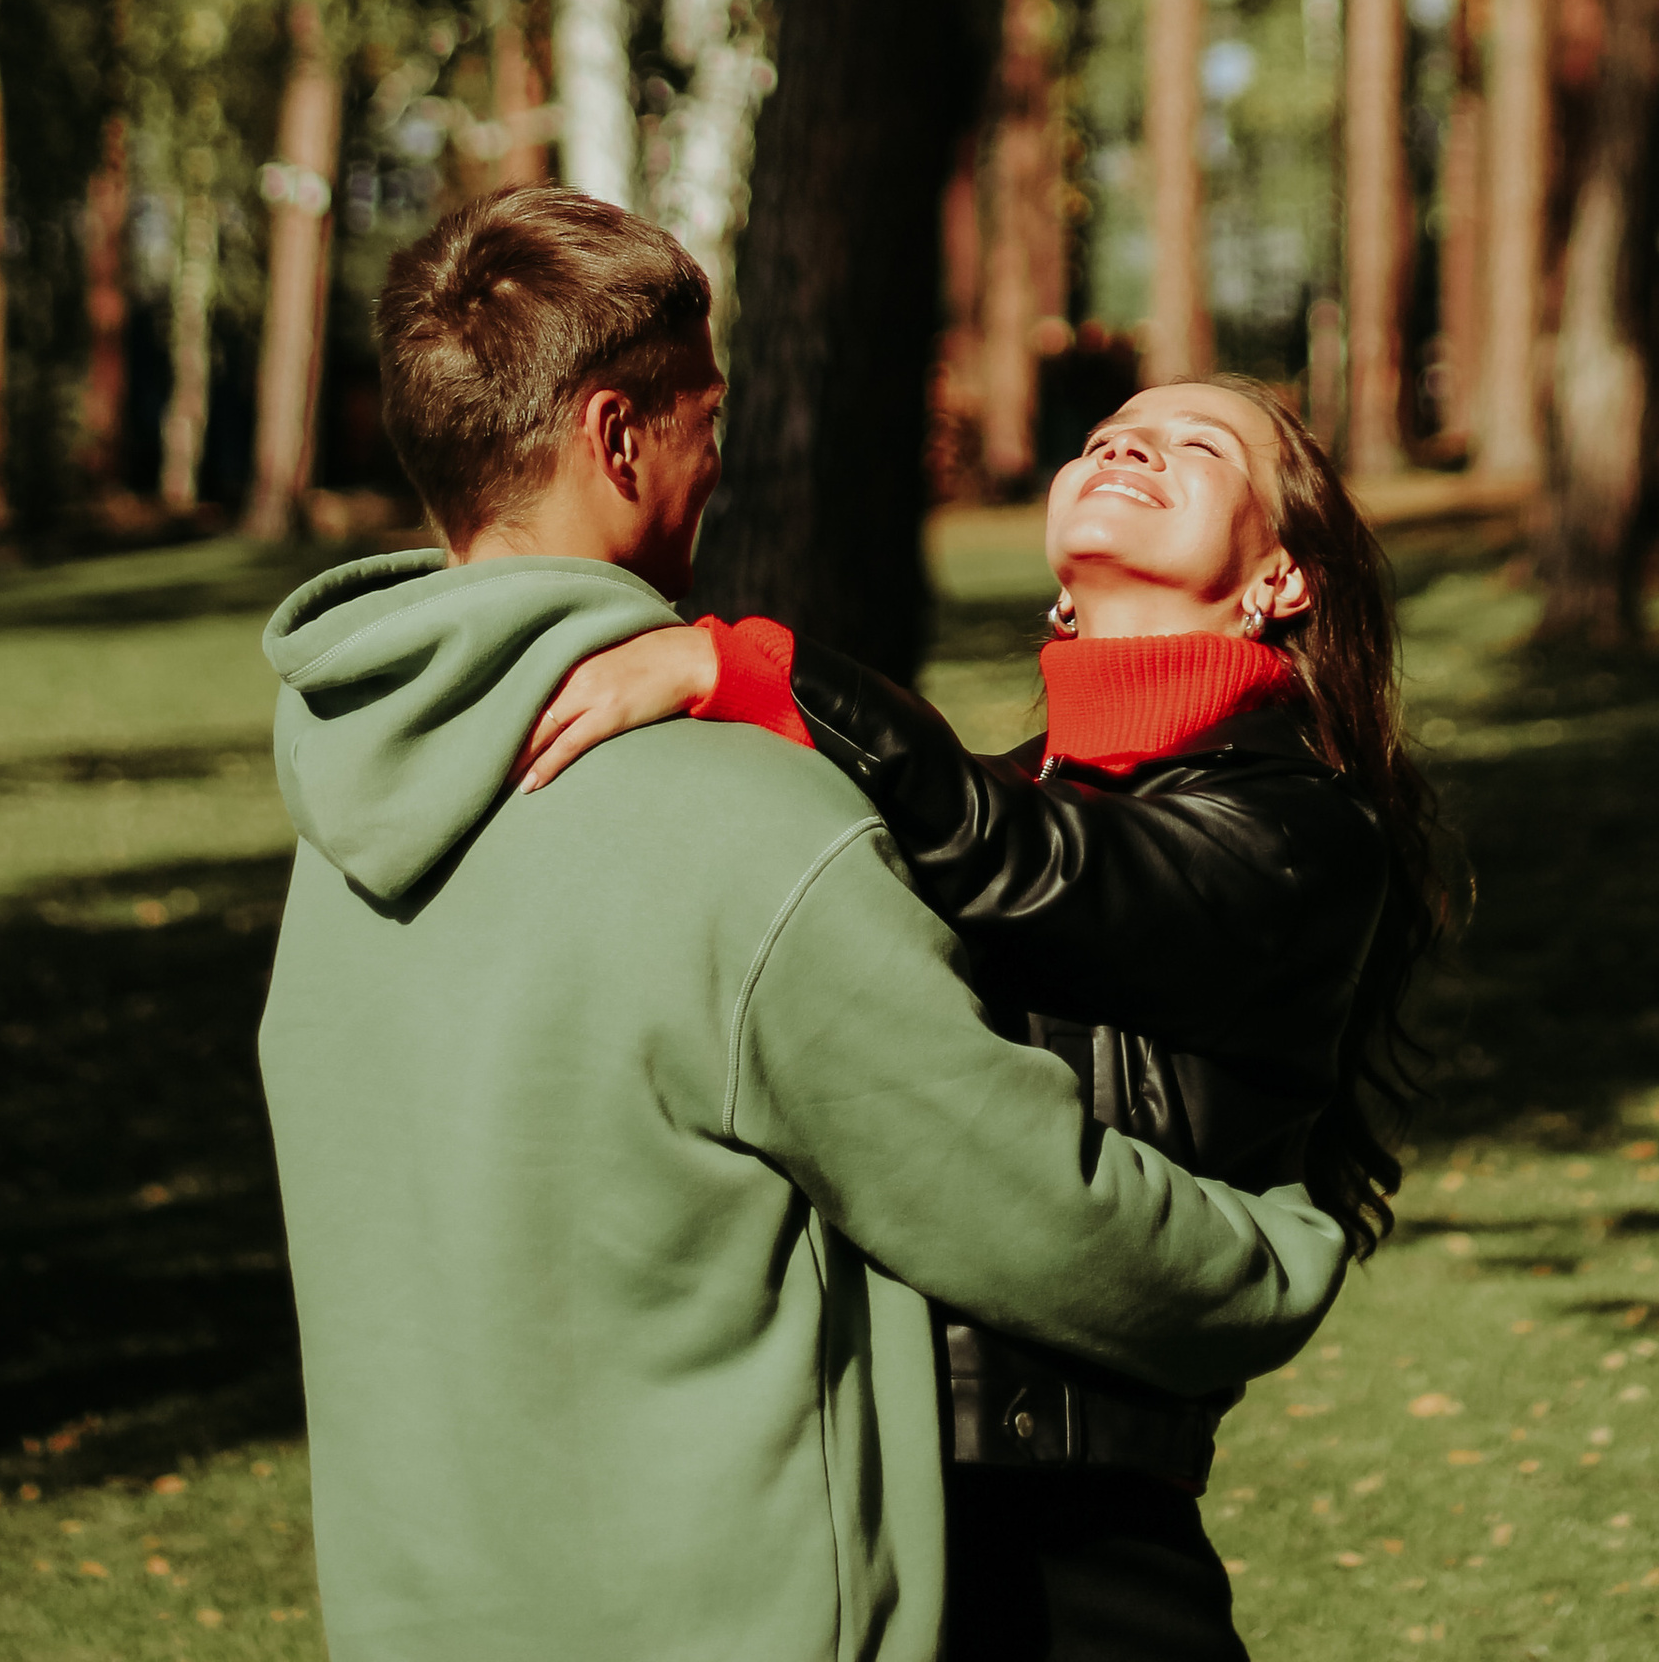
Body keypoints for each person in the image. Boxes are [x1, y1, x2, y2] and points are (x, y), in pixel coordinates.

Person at [256, 192, 1346, 1662]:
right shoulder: (749, 824)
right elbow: (1014, 1201)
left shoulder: (339, 836)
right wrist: (1270, 1255)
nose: (723, 460)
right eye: (708, 417)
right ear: (615, 437)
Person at [520, 368, 1444, 1662]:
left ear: (1280, 581)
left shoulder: (1299, 837)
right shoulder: (957, 803)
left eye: (1196, 447)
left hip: (1072, 1545)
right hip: (846, 1486)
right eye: (1108, 435)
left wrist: (752, 668)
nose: (1130, 450)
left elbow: (1062, 876)